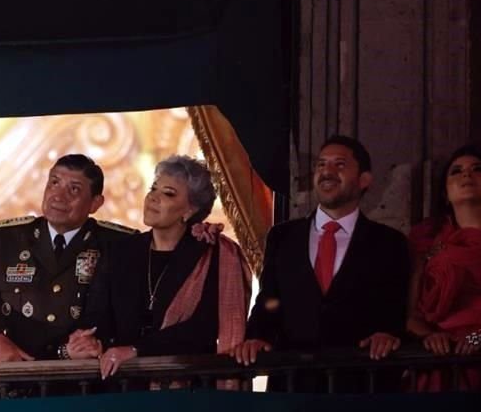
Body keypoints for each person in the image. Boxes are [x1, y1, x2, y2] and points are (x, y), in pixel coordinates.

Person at [234, 135, 410, 392]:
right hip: (293, 386)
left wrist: (388, 333)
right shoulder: (283, 237)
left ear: (364, 180)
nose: (327, 172)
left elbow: (396, 306)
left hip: (363, 386)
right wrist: (256, 338)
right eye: (320, 165)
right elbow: (269, 300)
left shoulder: (389, 242)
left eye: (339, 165)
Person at [78, 156, 250, 381]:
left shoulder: (212, 253)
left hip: (187, 386)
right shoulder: (121, 250)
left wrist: (136, 350)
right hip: (122, 384)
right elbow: (97, 314)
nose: (152, 198)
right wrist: (89, 340)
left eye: (168, 194)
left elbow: (202, 328)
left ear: (190, 210)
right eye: (153, 188)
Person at [0, 154, 136, 366]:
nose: (58, 196)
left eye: (74, 189)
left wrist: (95, 342)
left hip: (84, 381)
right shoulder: (8, 239)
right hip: (14, 379)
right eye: (54, 183)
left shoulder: (118, 245)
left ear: (95, 203)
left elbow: (127, 316)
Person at [407, 143, 481, 391]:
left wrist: (476, 337)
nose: (466, 175)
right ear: (445, 193)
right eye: (456, 171)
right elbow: (410, 315)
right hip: (441, 364)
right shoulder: (424, 242)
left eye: (476, 169)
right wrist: (430, 336)